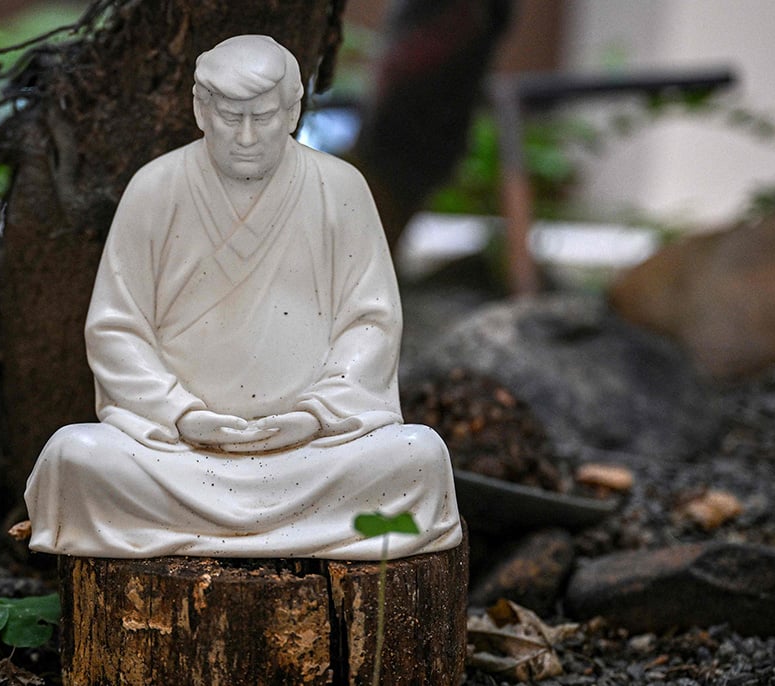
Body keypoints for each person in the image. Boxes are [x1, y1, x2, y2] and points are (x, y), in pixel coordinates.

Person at [23, 35, 461, 560]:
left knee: (419, 456)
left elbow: (369, 323)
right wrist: (180, 414)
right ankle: (300, 535)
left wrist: (316, 413)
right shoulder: (155, 188)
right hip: (182, 454)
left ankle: (224, 530)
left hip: (310, 452)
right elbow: (118, 328)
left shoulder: (340, 189)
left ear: (294, 110)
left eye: (264, 116)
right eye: (231, 117)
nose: (247, 136)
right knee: (74, 456)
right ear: (200, 110)